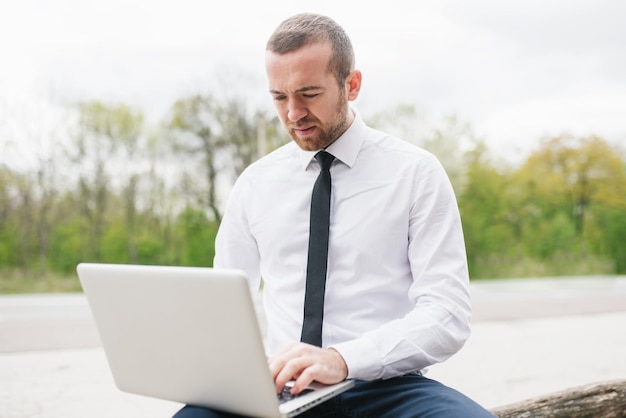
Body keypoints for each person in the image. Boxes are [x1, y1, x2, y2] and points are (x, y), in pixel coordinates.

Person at [174, 13, 494, 418]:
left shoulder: (415, 173)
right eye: (278, 97)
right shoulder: (255, 184)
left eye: (309, 93)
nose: (293, 113)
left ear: (352, 85)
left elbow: (446, 315)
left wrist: (342, 359)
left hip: (386, 387)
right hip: (280, 388)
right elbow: (221, 307)